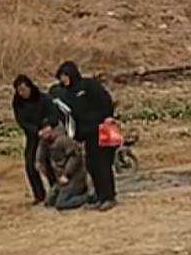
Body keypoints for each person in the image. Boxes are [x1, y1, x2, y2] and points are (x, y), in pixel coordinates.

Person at [55, 61, 118, 212]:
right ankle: (99, 196)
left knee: (103, 164)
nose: (63, 80)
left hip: (102, 129)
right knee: (92, 165)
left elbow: (105, 100)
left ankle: (109, 197)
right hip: (87, 134)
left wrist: (108, 116)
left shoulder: (89, 85)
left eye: (65, 76)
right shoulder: (67, 94)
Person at [12, 75, 57, 205]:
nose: (22, 93)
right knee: (30, 165)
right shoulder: (18, 103)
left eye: (24, 89)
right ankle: (39, 195)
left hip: (48, 134)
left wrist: (48, 126)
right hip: (32, 136)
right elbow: (22, 122)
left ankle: (55, 192)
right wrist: (36, 132)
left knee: (48, 165)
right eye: (19, 91)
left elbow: (54, 114)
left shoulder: (44, 99)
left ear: (30, 87)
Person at [34, 120, 91, 211]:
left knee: (61, 203)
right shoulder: (45, 143)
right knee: (49, 202)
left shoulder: (63, 140)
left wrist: (66, 174)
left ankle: (89, 197)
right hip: (60, 181)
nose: (42, 132)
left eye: (45, 129)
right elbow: (40, 160)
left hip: (74, 178)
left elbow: (75, 157)